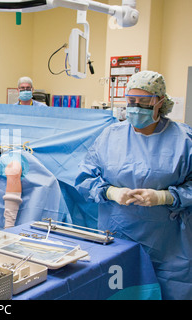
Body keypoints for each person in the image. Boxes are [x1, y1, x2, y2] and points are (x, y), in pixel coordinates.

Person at [75, 70, 191, 300]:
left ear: (160, 102)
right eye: (131, 101)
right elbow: (84, 178)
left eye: (144, 102)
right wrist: (111, 191)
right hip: (118, 237)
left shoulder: (183, 140)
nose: (136, 107)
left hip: (168, 247)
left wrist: (165, 197)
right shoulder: (110, 136)